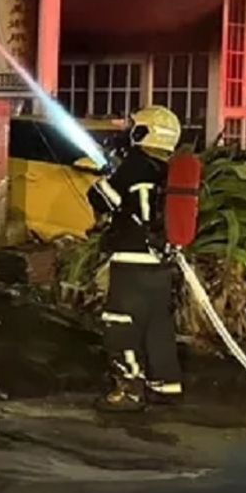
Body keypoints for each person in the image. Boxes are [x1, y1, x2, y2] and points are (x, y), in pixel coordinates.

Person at [87, 105, 184, 412]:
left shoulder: (135, 165)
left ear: (144, 132)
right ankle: (165, 386)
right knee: (157, 325)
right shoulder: (169, 171)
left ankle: (128, 389)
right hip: (162, 262)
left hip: (131, 259)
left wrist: (106, 177)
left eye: (134, 127)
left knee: (120, 321)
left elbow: (102, 199)